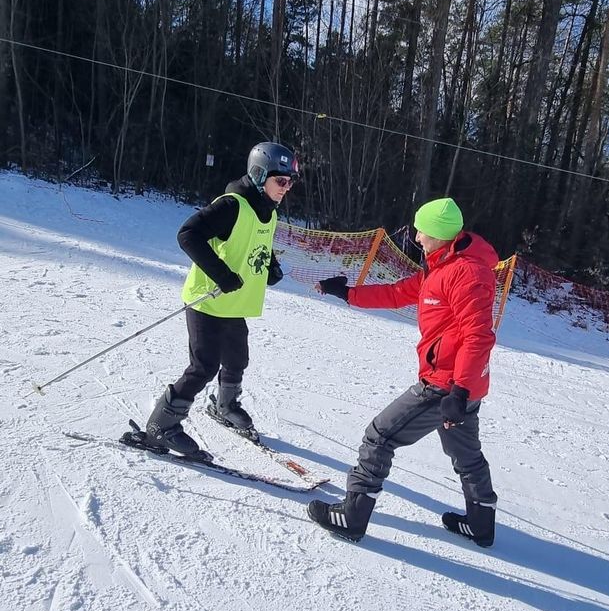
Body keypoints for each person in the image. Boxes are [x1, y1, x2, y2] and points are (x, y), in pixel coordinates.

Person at [308, 196, 498, 547]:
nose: (417, 237)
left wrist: (459, 391)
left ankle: (352, 516)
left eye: (421, 230)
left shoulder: (466, 273)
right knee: (466, 455)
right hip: (459, 385)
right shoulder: (440, 266)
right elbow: (397, 293)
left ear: (439, 234)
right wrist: (347, 294)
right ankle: (481, 523)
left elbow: (478, 335)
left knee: (379, 436)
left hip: (446, 384)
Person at [145, 142, 299, 457]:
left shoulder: (268, 210)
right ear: (259, 175)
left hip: (233, 305)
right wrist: (221, 274)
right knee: (203, 366)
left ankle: (225, 405)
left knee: (237, 359)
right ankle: (161, 426)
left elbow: (256, 242)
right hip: (207, 302)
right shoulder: (232, 205)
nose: (286, 188)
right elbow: (188, 234)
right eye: (280, 180)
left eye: (291, 182)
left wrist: (270, 267)